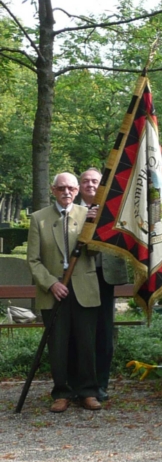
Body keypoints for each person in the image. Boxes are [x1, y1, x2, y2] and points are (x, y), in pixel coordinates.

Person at [27, 173, 102, 412]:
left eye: (70, 188)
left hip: (84, 289)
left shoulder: (88, 215)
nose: (66, 192)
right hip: (54, 292)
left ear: (77, 190)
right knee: (58, 345)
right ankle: (61, 392)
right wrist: (51, 283)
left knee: (85, 343)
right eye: (61, 188)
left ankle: (88, 392)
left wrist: (93, 231)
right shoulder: (39, 219)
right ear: (53, 190)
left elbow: (94, 253)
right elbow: (33, 260)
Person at [77, 167, 129, 402]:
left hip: (105, 277)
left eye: (95, 181)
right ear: (79, 185)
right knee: (80, 332)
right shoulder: (71, 210)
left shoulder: (114, 210)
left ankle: (101, 384)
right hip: (78, 278)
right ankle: (79, 384)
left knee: (103, 332)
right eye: (86, 181)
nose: (90, 185)